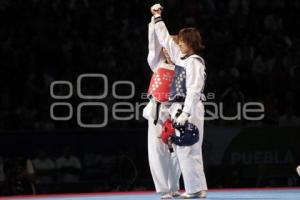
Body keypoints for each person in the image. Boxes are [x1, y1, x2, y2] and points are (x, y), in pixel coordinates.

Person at [150, 4, 208, 199]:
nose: (179, 43)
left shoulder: (194, 62)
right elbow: (165, 39)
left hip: (188, 107)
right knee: (187, 147)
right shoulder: (181, 58)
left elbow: (194, 89)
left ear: (190, 42)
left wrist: (186, 113)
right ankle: (198, 188)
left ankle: (194, 189)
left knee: (187, 146)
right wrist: (157, 18)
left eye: (182, 41)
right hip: (180, 106)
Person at [143, 15, 181, 199]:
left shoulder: (184, 66)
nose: (167, 52)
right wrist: (153, 22)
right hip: (157, 110)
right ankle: (163, 190)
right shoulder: (157, 64)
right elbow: (153, 45)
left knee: (177, 151)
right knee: (157, 150)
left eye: (172, 48)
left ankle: (174, 188)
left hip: (177, 111)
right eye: (166, 48)